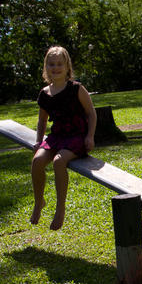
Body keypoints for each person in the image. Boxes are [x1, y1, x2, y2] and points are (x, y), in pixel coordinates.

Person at [31, 46, 97, 231]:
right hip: (56, 136)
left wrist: (90, 137)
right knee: (37, 161)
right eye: (52, 64)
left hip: (76, 136)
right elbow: (42, 120)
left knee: (59, 162)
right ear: (46, 67)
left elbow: (91, 113)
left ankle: (60, 209)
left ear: (67, 66)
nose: (56, 68)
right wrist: (38, 141)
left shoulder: (76, 88)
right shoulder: (45, 94)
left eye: (60, 64)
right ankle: (39, 202)